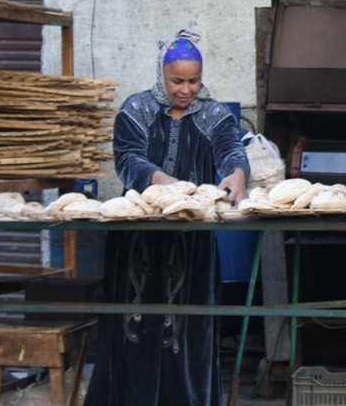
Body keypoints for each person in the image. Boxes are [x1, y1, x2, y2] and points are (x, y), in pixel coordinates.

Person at [84, 29, 250, 406]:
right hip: (136, 244)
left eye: (193, 80)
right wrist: (158, 180)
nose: (186, 89)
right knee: (134, 328)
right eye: (177, 80)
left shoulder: (213, 114)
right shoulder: (136, 110)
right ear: (161, 73)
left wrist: (238, 172)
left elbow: (230, 149)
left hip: (190, 244)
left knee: (185, 332)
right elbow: (127, 158)